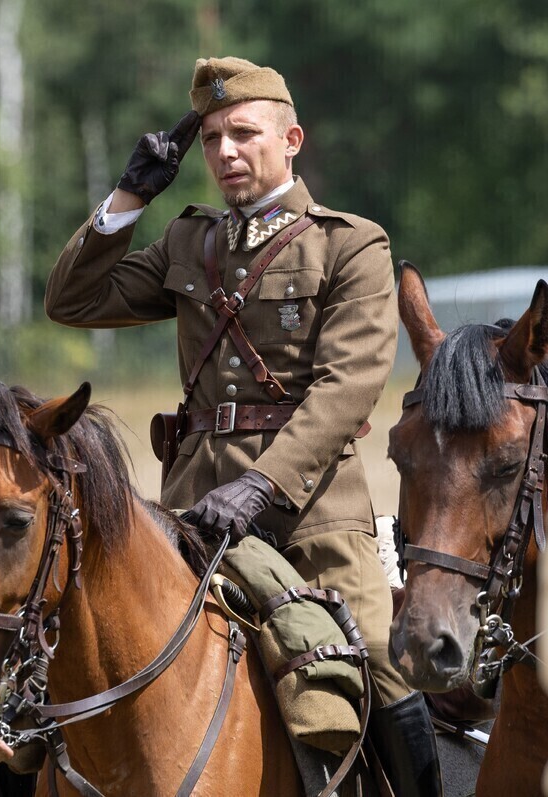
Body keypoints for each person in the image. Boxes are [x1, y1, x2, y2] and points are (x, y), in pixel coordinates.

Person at [44, 57, 440, 796]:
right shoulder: (190, 243)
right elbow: (73, 300)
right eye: (213, 139)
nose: (225, 152)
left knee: (382, 659)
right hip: (190, 516)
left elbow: (346, 388)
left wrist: (260, 485)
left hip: (312, 519)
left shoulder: (350, 245)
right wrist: (129, 197)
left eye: (244, 134)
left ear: (291, 139)